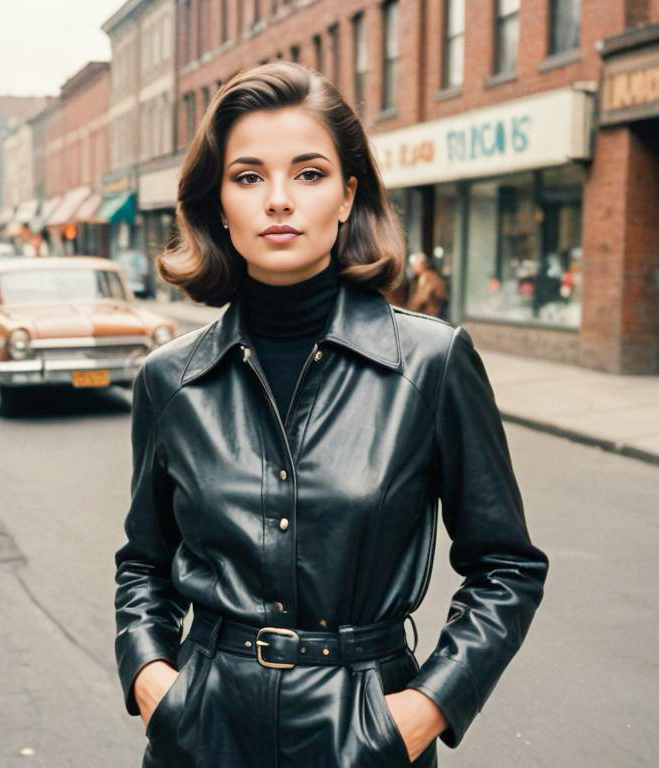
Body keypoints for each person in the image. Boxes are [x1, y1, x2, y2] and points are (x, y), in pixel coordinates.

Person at [114, 62, 547, 767]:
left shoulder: (431, 364)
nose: (278, 200)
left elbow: (506, 566)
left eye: (308, 174)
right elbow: (144, 563)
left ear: (348, 196)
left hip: (368, 735)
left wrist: (424, 707)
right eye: (249, 177)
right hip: (202, 732)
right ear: (219, 204)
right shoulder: (171, 379)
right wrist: (152, 678)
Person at [406, 252, 449, 319]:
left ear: (422, 264)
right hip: (436, 313)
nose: (413, 268)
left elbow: (421, 298)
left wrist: (407, 311)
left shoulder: (426, 276)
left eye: (415, 265)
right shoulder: (431, 274)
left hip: (434, 315)